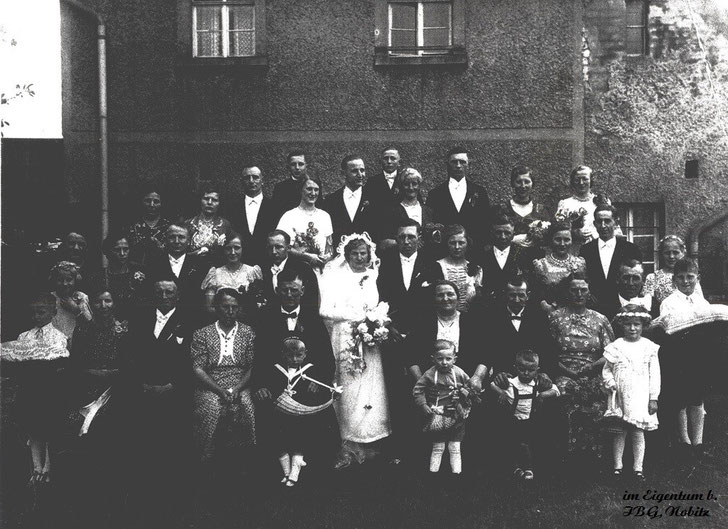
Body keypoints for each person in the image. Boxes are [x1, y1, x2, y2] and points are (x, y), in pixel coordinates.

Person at [121, 280, 193, 516]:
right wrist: (141, 384)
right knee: (142, 447)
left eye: (169, 292)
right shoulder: (141, 317)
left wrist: (171, 386)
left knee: (171, 449)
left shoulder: (188, 320)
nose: (164, 296)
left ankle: (171, 502)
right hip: (142, 391)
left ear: (178, 295)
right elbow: (130, 354)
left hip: (174, 393)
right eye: (159, 292)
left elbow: (192, 361)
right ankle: (141, 500)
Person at [319, 233, 390, 466]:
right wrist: (356, 319)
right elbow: (325, 309)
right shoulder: (334, 277)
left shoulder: (373, 275)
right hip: (345, 337)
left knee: (371, 386)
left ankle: (371, 439)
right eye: (355, 253)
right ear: (346, 255)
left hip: (369, 339)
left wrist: (374, 321)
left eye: (363, 253)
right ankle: (349, 444)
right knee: (349, 386)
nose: (360, 258)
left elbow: (376, 305)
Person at [1, 293, 69, 486]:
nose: (37, 316)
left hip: (49, 389)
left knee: (47, 426)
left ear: (53, 312)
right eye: (33, 313)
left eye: (41, 312)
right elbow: (16, 358)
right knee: (32, 427)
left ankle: (47, 467)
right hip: (29, 388)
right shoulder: (24, 336)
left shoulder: (59, 336)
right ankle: (36, 467)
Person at [257, 337, 339, 487]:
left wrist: (320, 387)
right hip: (280, 412)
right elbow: (270, 387)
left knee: (300, 432)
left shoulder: (311, 370)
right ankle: (286, 471)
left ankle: (296, 467)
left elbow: (325, 388)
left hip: (301, 414)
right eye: (290, 356)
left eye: (299, 355)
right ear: (283, 354)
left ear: (305, 354)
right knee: (276, 435)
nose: (294, 359)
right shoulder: (275, 369)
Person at [549, 272, 614, 459]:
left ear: (589, 292)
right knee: (568, 396)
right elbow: (548, 352)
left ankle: (595, 455)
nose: (578, 294)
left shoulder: (600, 319)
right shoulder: (555, 318)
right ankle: (569, 456)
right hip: (563, 372)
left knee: (598, 396)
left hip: (593, 371)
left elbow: (611, 352)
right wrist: (567, 371)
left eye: (583, 290)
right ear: (567, 292)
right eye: (574, 290)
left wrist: (592, 367)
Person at [191, 289, 256, 466]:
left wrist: (237, 388)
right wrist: (219, 390)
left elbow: (252, 367)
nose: (230, 311)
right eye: (225, 307)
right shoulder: (202, 333)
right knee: (211, 407)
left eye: (234, 307)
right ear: (216, 308)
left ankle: (244, 462)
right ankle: (206, 460)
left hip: (240, 382)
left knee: (247, 406)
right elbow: (198, 369)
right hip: (210, 384)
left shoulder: (248, 332)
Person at [655, 259, 712, 458]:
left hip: (699, 354)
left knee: (697, 397)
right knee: (680, 397)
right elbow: (669, 329)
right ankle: (684, 441)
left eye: (690, 277)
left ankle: (698, 442)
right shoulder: (669, 302)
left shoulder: (703, 302)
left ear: (698, 278)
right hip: (678, 355)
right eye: (681, 277)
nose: (686, 281)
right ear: (673, 280)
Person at [602, 304, 660, 481]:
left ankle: (638, 468)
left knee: (637, 429)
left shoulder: (649, 347)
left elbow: (655, 374)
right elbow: (606, 370)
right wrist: (611, 383)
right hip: (619, 394)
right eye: (628, 324)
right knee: (619, 430)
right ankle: (617, 466)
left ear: (643, 325)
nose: (633, 328)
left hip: (640, 394)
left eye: (637, 324)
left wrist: (653, 398)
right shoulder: (616, 346)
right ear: (622, 325)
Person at [490, 350, 560, 481]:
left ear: (537, 370)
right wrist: (501, 393)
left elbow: (556, 391)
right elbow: (492, 385)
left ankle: (529, 468)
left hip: (530, 419)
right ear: (515, 368)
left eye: (531, 370)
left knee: (525, 444)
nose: (526, 373)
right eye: (522, 370)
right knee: (512, 444)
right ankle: (516, 468)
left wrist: (543, 395)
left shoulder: (537, 383)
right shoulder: (511, 383)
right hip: (513, 419)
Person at [69, 290, 127, 442]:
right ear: (90, 305)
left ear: (114, 303)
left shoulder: (124, 330)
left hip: (116, 389)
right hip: (87, 388)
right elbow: (75, 363)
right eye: (97, 302)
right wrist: (95, 373)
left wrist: (113, 375)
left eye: (107, 301)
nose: (103, 306)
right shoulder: (82, 329)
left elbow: (129, 363)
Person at [413, 340, 474, 475]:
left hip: (456, 413)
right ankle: (433, 472)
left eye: (448, 359)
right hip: (438, 413)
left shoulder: (459, 373)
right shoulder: (429, 374)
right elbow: (418, 390)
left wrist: (464, 394)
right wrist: (423, 404)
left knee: (455, 446)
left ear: (455, 359)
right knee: (438, 446)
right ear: (433, 359)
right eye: (440, 359)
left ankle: (456, 473)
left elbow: (470, 386)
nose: (444, 362)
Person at [579, 204, 642, 315]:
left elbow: (637, 279)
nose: (603, 226)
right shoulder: (586, 250)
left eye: (607, 221)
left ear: (616, 222)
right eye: (599, 221)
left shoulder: (631, 249)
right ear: (594, 224)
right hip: (593, 309)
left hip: (623, 309)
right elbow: (582, 279)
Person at [426, 147, 491, 248]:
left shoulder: (479, 192)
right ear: (447, 165)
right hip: (445, 249)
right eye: (454, 162)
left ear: (468, 165)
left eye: (462, 162)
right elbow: (430, 224)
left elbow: (486, 222)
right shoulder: (435, 194)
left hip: (474, 249)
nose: (458, 166)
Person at [200, 233, 262, 320]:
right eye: (228, 248)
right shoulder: (215, 273)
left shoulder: (252, 272)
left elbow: (259, 302)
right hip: (221, 321)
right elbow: (208, 307)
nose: (233, 252)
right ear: (223, 250)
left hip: (248, 320)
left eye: (236, 248)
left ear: (242, 249)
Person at [277, 176, 334, 270]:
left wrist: (326, 258)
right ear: (301, 190)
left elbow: (330, 247)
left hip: (320, 269)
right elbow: (281, 246)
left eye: (316, 190)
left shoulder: (325, 216)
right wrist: (306, 256)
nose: (313, 193)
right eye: (309, 189)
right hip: (296, 269)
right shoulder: (289, 216)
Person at [147, 224, 208, 312]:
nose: (176, 241)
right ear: (166, 240)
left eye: (181, 237)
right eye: (172, 237)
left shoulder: (200, 265)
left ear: (189, 241)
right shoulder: (154, 263)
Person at [379, 167, 437, 255]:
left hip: (425, 258)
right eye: (406, 184)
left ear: (419, 186)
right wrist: (408, 242)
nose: (411, 188)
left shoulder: (429, 211)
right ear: (401, 186)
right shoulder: (391, 212)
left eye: (414, 184)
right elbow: (383, 243)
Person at [531, 220, 586, 311]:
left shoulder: (580, 263)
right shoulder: (541, 264)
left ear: (572, 241)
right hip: (548, 313)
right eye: (558, 239)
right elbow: (536, 294)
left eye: (566, 239)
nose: (562, 244)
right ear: (551, 240)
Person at [323, 155, 377, 248]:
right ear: (343, 174)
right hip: (339, 256)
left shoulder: (374, 198)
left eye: (362, 170)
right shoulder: (331, 200)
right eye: (354, 171)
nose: (360, 175)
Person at [89, 233, 146, 320]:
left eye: (126, 249)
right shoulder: (99, 276)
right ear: (108, 251)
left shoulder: (139, 271)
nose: (122, 253)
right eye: (117, 250)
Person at [260, 230, 320, 312]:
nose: (274, 252)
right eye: (270, 248)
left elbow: (311, 301)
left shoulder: (303, 269)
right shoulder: (261, 269)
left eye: (278, 247)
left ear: (288, 248)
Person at [478, 214, 529, 306]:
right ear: (492, 234)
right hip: (489, 306)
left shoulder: (523, 255)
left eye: (507, 233)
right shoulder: (482, 256)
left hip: (514, 306)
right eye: (498, 232)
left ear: (513, 235)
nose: (503, 237)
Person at [233, 165, 279, 266]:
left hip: (267, 264)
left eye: (255, 177)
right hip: (240, 264)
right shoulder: (233, 207)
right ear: (241, 181)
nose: (251, 181)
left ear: (262, 180)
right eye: (247, 178)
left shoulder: (274, 207)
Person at [643, 235, 703, 310]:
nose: (671, 256)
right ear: (661, 254)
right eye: (667, 253)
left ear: (683, 253)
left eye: (675, 252)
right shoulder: (653, 277)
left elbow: (699, 301)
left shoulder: (690, 276)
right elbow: (646, 306)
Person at [436, 225, 482, 312]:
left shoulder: (476, 269)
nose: (457, 247)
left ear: (467, 243)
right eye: (453, 243)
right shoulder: (436, 267)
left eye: (461, 243)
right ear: (446, 244)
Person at [185, 185, 233, 265]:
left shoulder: (225, 225)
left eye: (214, 200)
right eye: (206, 199)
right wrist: (193, 255)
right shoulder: (188, 224)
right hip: (191, 268)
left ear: (219, 203)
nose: (209, 202)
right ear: (200, 200)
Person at [125, 187, 171, 267]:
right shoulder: (131, 227)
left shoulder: (170, 227)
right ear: (141, 202)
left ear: (162, 204)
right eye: (148, 201)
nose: (151, 205)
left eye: (156, 201)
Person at [49, 261, 93, 344]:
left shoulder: (81, 297)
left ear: (75, 280)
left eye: (69, 280)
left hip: (77, 340)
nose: (65, 284)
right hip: (55, 341)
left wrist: (76, 309)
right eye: (60, 280)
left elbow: (89, 323)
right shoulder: (50, 298)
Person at [503, 165, 549, 242]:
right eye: (518, 182)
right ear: (512, 183)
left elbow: (547, 237)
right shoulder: (503, 209)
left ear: (532, 184)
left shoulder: (541, 210)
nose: (523, 186)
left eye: (527, 182)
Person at [556, 166, 598, 244]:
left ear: (591, 180)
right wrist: (575, 232)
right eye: (577, 180)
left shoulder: (600, 202)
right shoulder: (565, 204)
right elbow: (557, 230)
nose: (581, 183)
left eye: (585, 179)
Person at [272, 150, 315, 216]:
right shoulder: (280, 188)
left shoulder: (314, 186)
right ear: (288, 167)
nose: (297, 167)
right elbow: (276, 213)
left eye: (300, 164)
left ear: (306, 166)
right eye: (293, 164)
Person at [367, 147, 403, 211]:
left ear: (399, 162)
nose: (389, 161)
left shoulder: (405, 180)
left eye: (393, 158)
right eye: (385, 158)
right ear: (380, 161)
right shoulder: (372, 182)